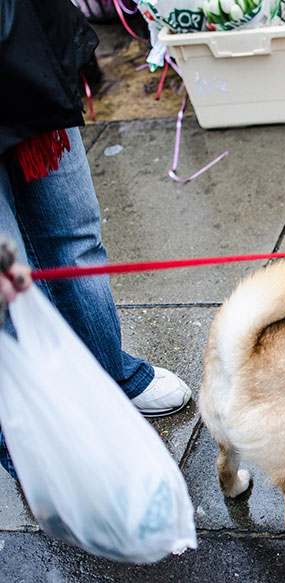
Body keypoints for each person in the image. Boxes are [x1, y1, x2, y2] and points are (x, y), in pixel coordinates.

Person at [0, 0, 192, 478]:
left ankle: (108, 372)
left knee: (76, 239)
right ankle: (32, 434)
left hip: (25, 55)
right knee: (5, 288)